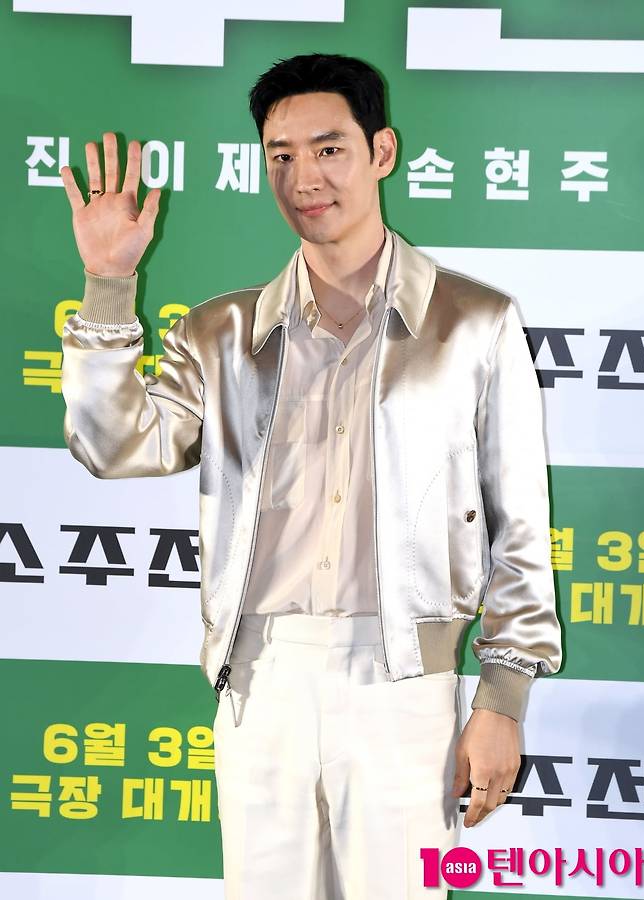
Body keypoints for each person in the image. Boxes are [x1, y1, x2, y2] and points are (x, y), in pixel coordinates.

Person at [59, 53, 562, 900]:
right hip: (261, 680)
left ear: (382, 152)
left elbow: (520, 525)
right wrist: (109, 285)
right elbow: (114, 447)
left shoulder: (474, 324)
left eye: (329, 149)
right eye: (281, 155)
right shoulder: (220, 334)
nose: (304, 178)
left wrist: (502, 697)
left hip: (407, 683)